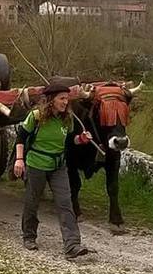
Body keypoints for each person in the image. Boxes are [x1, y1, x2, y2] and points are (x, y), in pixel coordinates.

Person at [13, 81, 93, 259]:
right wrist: (19, 160)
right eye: (62, 99)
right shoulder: (36, 116)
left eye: (67, 99)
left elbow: (70, 141)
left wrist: (82, 139)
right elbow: (21, 137)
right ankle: (29, 236)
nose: (66, 102)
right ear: (51, 100)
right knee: (32, 202)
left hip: (58, 166)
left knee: (66, 203)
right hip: (36, 164)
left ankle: (72, 244)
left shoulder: (68, 119)